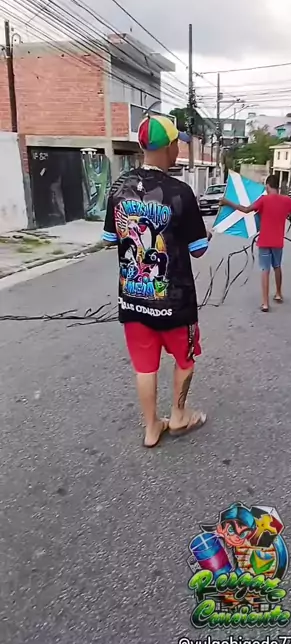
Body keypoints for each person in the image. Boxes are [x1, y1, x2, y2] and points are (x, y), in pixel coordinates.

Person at [102, 113, 211, 448]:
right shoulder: (181, 192)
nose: (178, 149)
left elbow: (109, 239)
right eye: (177, 143)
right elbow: (199, 250)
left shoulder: (118, 189)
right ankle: (178, 415)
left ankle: (151, 428)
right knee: (185, 360)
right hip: (175, 303)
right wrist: (204, 235)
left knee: (144, 367)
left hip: (133, 299)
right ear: (170, 148)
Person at [221, 174, 291, 312]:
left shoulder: (264, 200)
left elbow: (246, 210)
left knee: (265, 270)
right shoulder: (286, 200)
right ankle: (278, 293)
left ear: (268, 186)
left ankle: (265, 303)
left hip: (264, 242)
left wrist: (227, 202)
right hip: (278, 242)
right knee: (277, 266)